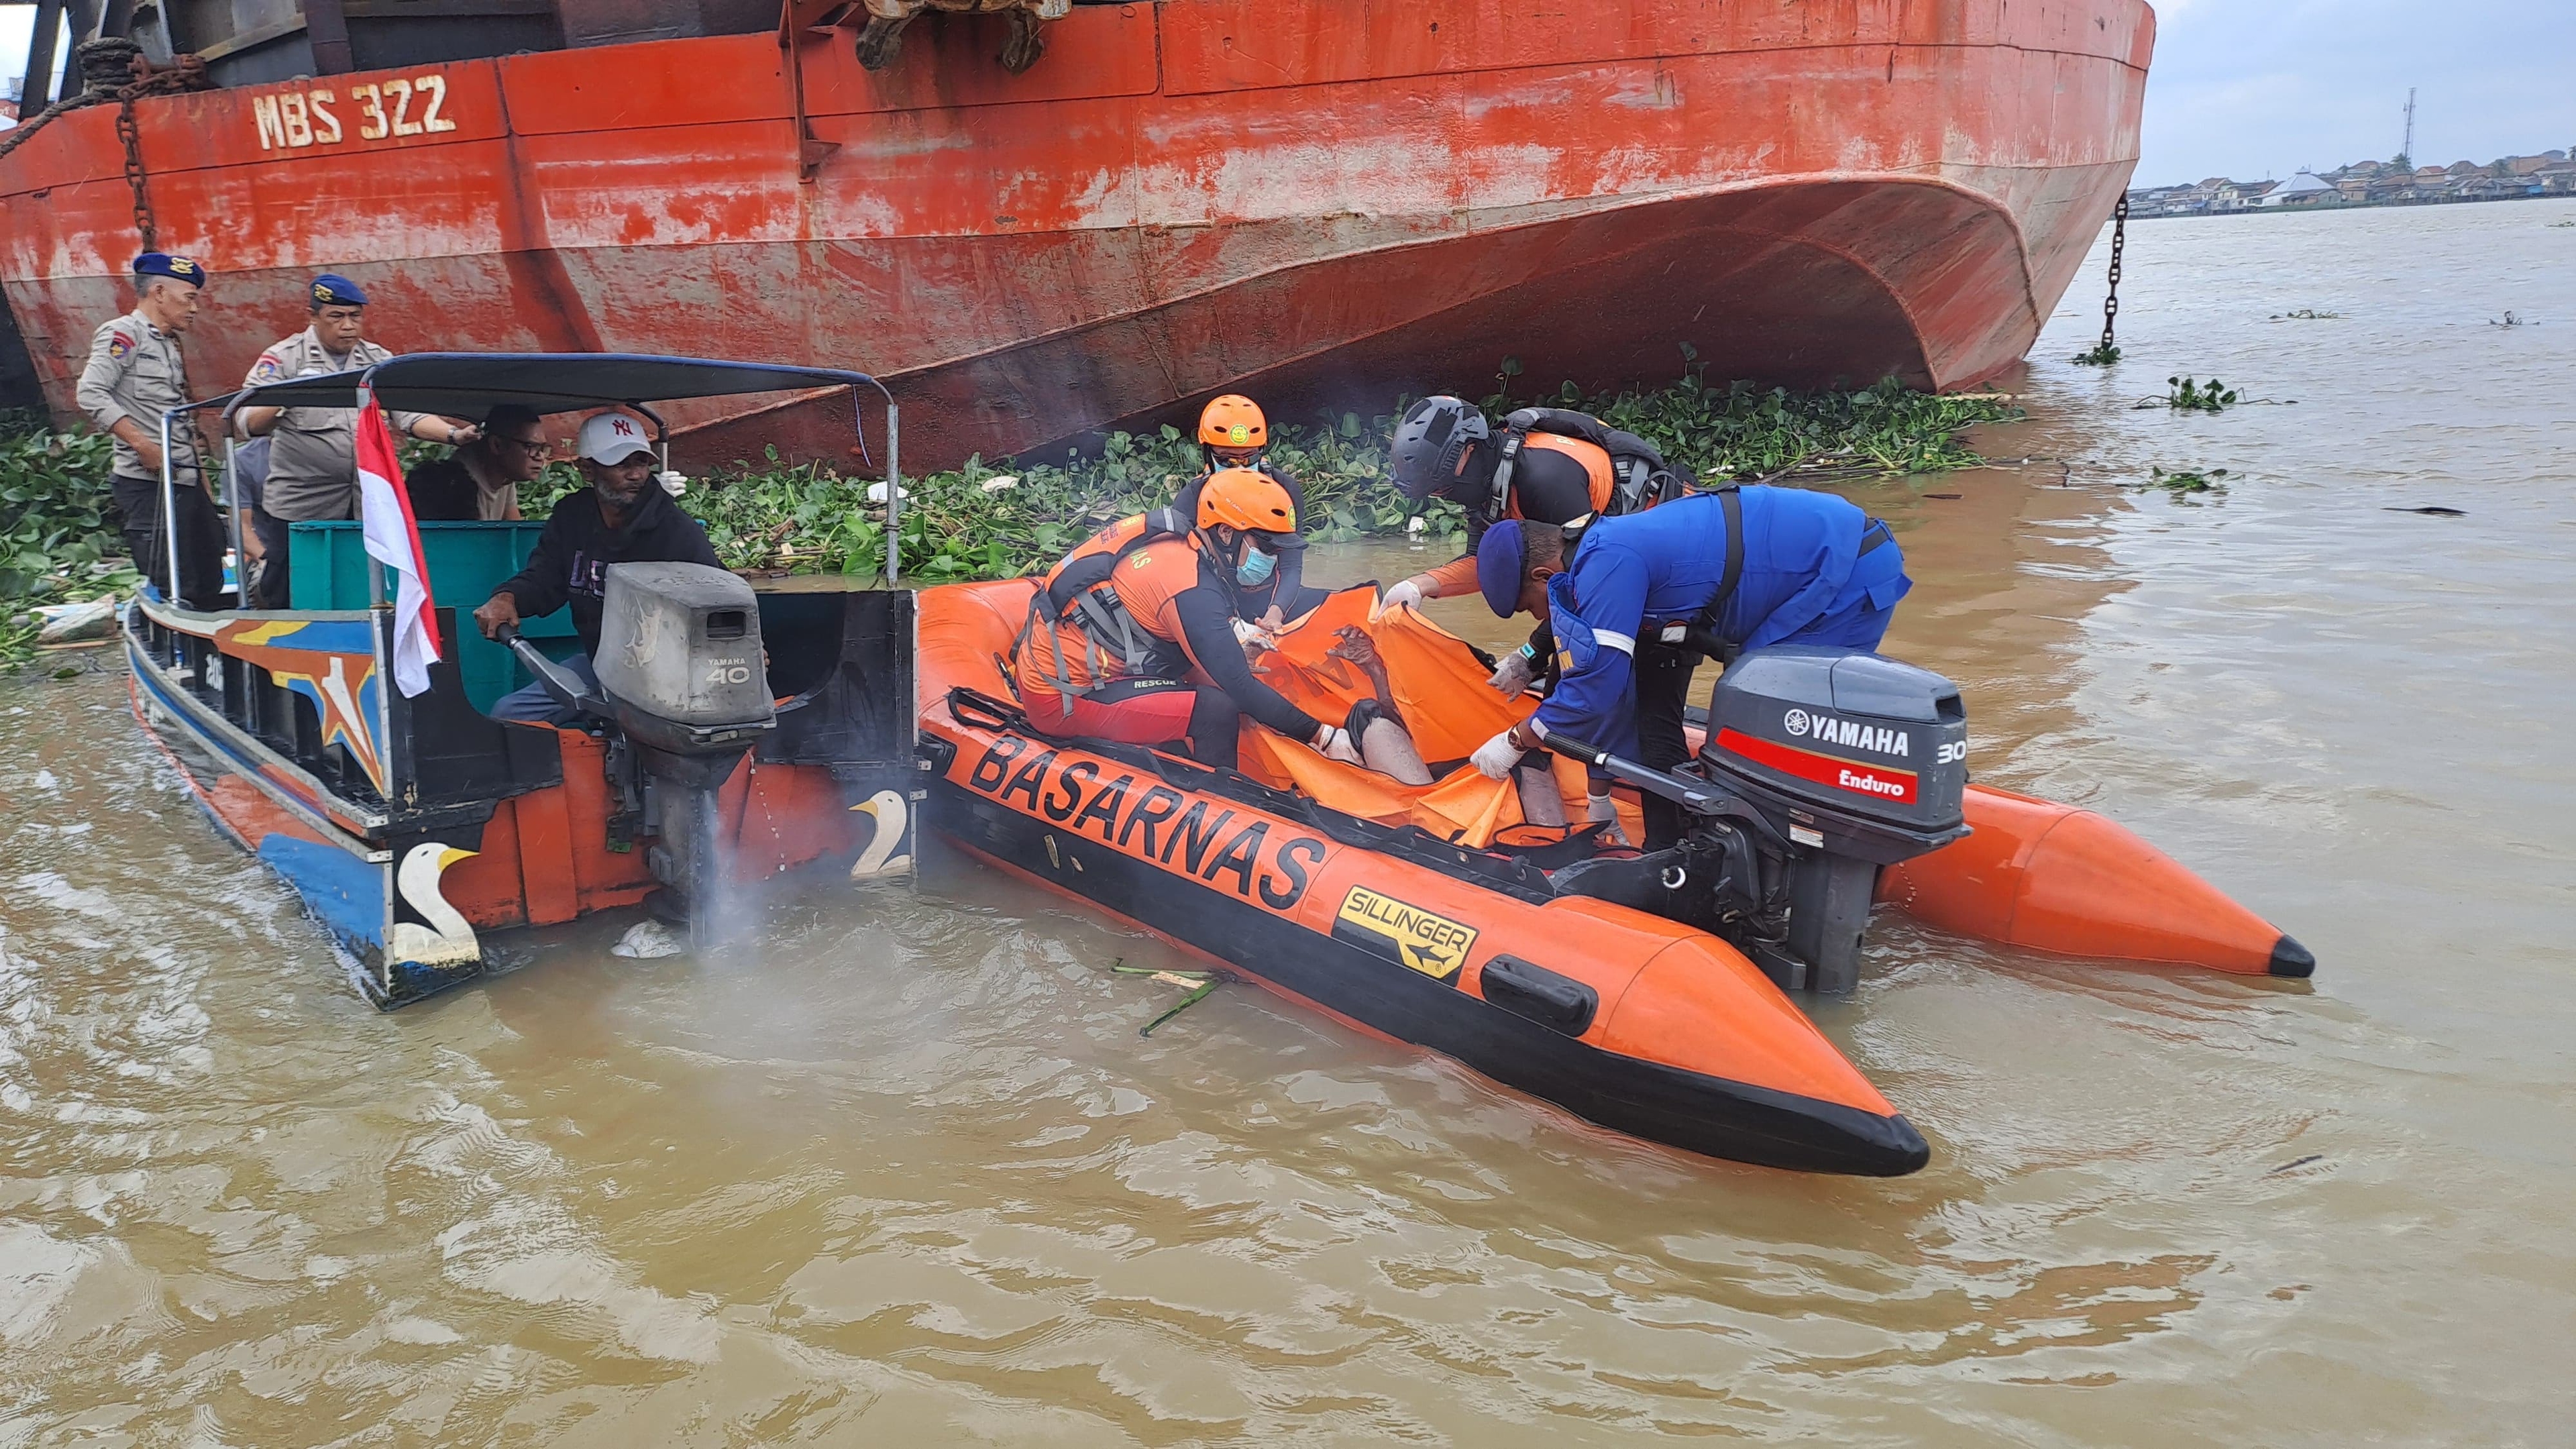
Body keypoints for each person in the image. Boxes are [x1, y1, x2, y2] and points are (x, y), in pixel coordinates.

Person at [1466, 486, 1911, 851]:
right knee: (1710, 709)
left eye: (1530, 608)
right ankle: (1685, 845)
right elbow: (1606, 687)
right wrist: (1598, 798)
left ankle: (1809, 853)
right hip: (1803, 570)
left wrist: (1514, 740)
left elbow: (1597, 686)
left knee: (1781, 727)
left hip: (1845, 572)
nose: (1538, 620)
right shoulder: (1596, 550)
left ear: (1545, 576)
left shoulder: (1608, 564)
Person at [1012, 467, 1417, 774]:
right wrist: (1325, 738)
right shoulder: (1191, 585)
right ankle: (1224, 800)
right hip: (1064, 699)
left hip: (1085, 667)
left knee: (1225, 677)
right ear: (1226, 533)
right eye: (1266, 546)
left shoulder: (1183, 546)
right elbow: (1235, 685)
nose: (1272, 558)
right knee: (1218, 707)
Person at [1379, 395, 1678, 696]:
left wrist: (1531, 654)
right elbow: (1482, 561)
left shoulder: (1543, 481)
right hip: (1615, 570)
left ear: (1467, 453)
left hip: (1667, 564)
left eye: (1442, 488)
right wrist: (1419, 585)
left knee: (1602, 698)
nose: (1445, 496)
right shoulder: (1489, 485)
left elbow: (1585, 586)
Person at [237, 274, 479, 606]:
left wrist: (454, 435)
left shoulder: (378, 361)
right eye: (336, 317)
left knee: (361, 589)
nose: (348, 326)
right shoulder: (284, 359)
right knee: (289, 592)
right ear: (313, 317)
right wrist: (288, 394)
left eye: (355, 316)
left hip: (366, 504)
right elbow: (247, 422)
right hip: (302, 508)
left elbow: (410, 416)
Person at [472, 411, 720, 726]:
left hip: (663, 677)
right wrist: (507, 598)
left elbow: (718, 601)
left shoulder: (678, 533)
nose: (636, 475)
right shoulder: (572, 517)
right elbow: (545, 579)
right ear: (587, 469)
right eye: (622, 464)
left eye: (641, 463)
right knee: (510, 717)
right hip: (598, 666)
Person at [75, 252, 227, 609]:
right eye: (189, 298)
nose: (195, 309)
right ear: (159, 292)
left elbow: (176, 419)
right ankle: (177, 657)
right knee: (173, 581)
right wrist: (143, 446)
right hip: (148, 485)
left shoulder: (168, 344)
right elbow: (90, 392)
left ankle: (209, 658)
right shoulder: (124, 335)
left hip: (184, 481)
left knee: (209, 576)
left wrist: (202, 481)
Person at [1170, 394, 1314, 626]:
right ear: (1208, 453)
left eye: (1249, 458)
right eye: (1227, 460)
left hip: (1272, 598)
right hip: (1216, 601)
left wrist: (1275, 615)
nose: (1239, 466)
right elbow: (1183, 576)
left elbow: (1291, 565)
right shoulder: (1192, 497)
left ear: (1262, 450)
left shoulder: (1285, 490)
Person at [407, 405, 549, 521]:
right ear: (497, 445)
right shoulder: (460, 483)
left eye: (542, 449)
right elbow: (473, 542)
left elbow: (515, 529)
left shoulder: (505, 475)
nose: (540, 457)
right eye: (530, 447)